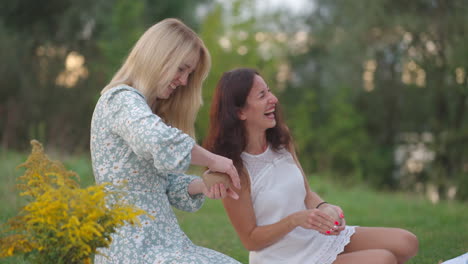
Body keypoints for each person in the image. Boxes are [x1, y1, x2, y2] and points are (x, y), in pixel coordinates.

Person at [203, 68, 419, 264]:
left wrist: (324, 207)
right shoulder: (234, 169)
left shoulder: (282, 138)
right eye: (262, 95)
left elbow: (306, 193)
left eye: (269, 91)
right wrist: (295, 220)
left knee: (407, 242)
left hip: (314, 238)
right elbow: (250, 240)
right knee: (383, 260)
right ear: (240, 112)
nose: (274, 99)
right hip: (283, 258)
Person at [90, 18, 241, 264]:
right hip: (131, 249)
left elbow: (163, 184)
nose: (183, 81)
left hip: (161, 244)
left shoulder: (142, 111)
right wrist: (215, 160)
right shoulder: (120, 100)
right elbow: (159, 140)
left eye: (189, 74)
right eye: (181, 68)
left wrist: (203, 185)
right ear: (157, 57)